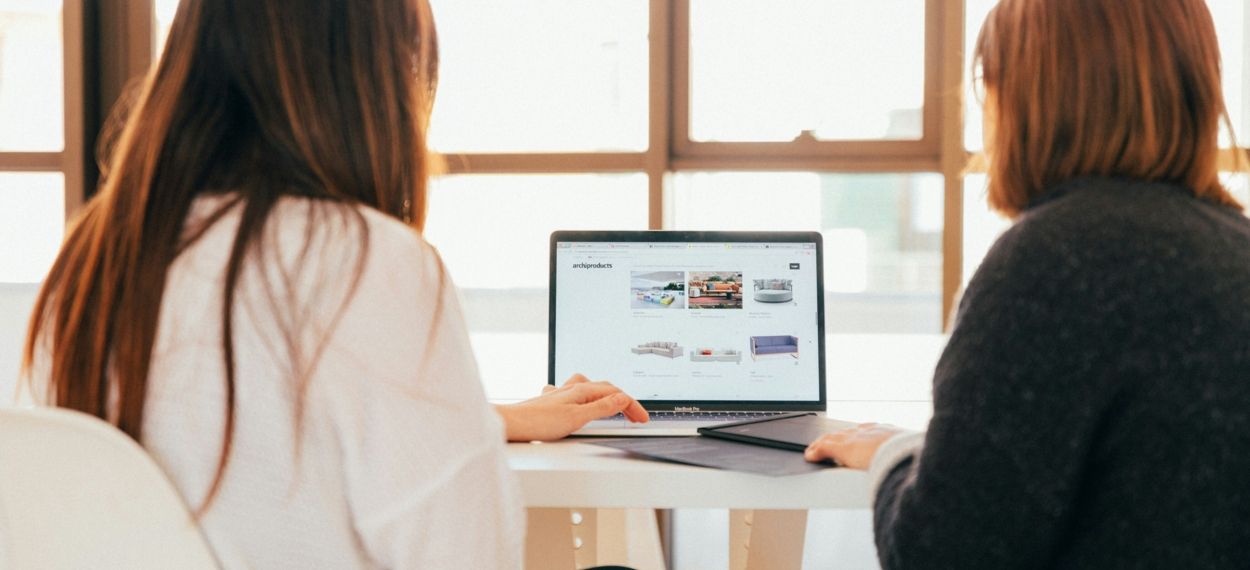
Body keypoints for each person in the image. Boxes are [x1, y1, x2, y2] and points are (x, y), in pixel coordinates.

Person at [20, 0, 646, 567]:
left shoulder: (91, 263)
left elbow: (238, 452)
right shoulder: (364, 259)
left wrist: (489, 420)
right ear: (370, 77)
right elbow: (468, 552)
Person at [804, 0, 1250, 567]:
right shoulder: (1237, 247)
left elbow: (941, 553)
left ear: (1025, 97)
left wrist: (895, 456)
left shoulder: (1054, 260)